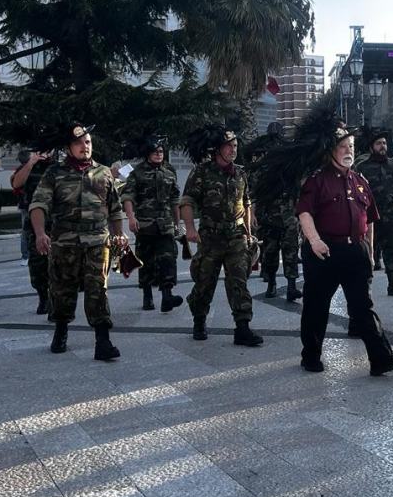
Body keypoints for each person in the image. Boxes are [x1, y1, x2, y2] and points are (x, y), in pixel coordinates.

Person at [293, 116, 393, 376]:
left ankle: (380, 359)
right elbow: (304, 212)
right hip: (324, 252)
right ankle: (311, 355)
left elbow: (370, 220)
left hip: (354, 251)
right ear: (331, 149)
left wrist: (369, 251)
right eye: (343, 146)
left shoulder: (360, 181)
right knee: (316, 306)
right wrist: (314, 240)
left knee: (363, 308)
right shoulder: (317, 180)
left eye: (352, 147)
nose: (349, 151)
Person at [29, 122, 126, 360]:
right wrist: (41, 233)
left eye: (88, 142)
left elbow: (114, 208)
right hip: (65, 243)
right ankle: (60, 331)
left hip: (97, 242)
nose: (85, 146)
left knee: (98, 290)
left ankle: (103, 341)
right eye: (79, 143)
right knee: (62, 290)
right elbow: (38, 204)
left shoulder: (103, 172)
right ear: (68, 147)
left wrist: (119, 234)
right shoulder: (54, 174)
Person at [180, 126, 263, 346]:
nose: (233, 150)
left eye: (235, 146)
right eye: (229, 146)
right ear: (217, 149)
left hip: (236, 236)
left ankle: (243, 327)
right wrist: (189, 228)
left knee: (239, 282)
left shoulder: (241, 173)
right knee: (205, 282)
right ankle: (199, 319)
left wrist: (248, 233)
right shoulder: (202, 172)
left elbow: (245, 203)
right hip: (210, 236)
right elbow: (187, 201)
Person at [120, 134, 184, 313]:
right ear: (148, 154)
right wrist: (131, 217)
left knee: (168, 259)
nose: (158, 154)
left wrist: (177, 224)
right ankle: (147, 295)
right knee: (146, 260)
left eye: (161, 151)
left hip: (165, 224)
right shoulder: (137, 173)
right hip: (145, 224)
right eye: (155, 152)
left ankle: (167, 296)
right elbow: (128, 196)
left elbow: (174, 199)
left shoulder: (169, 171)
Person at [247, 125, 302, 302]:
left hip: (288, 218)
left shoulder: (290, 170)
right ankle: (271, 283)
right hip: (268, 218)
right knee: (270, 254)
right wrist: (253, 215)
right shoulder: (260, 171)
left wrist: (301, 214)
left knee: (291, 252)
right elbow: (252, 194)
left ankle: (292, 286)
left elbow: (299, 192)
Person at [354, 129, 393, 295]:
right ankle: (364, 285)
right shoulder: (362, 168)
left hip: (391, 219)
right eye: (379, 143)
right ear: (372, 147)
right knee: (366, 251)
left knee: (392, 250)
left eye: (384, 143)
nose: (382, 146)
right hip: (370, 219)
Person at [11, 147, 53, 313]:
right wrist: (32, 162)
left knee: (60, 264)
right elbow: (16, 183)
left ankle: (56, 299)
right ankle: (43, 297)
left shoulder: (58, 168)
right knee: (37, 265)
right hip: (35, 225)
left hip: (59, 223)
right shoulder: (27, 168)